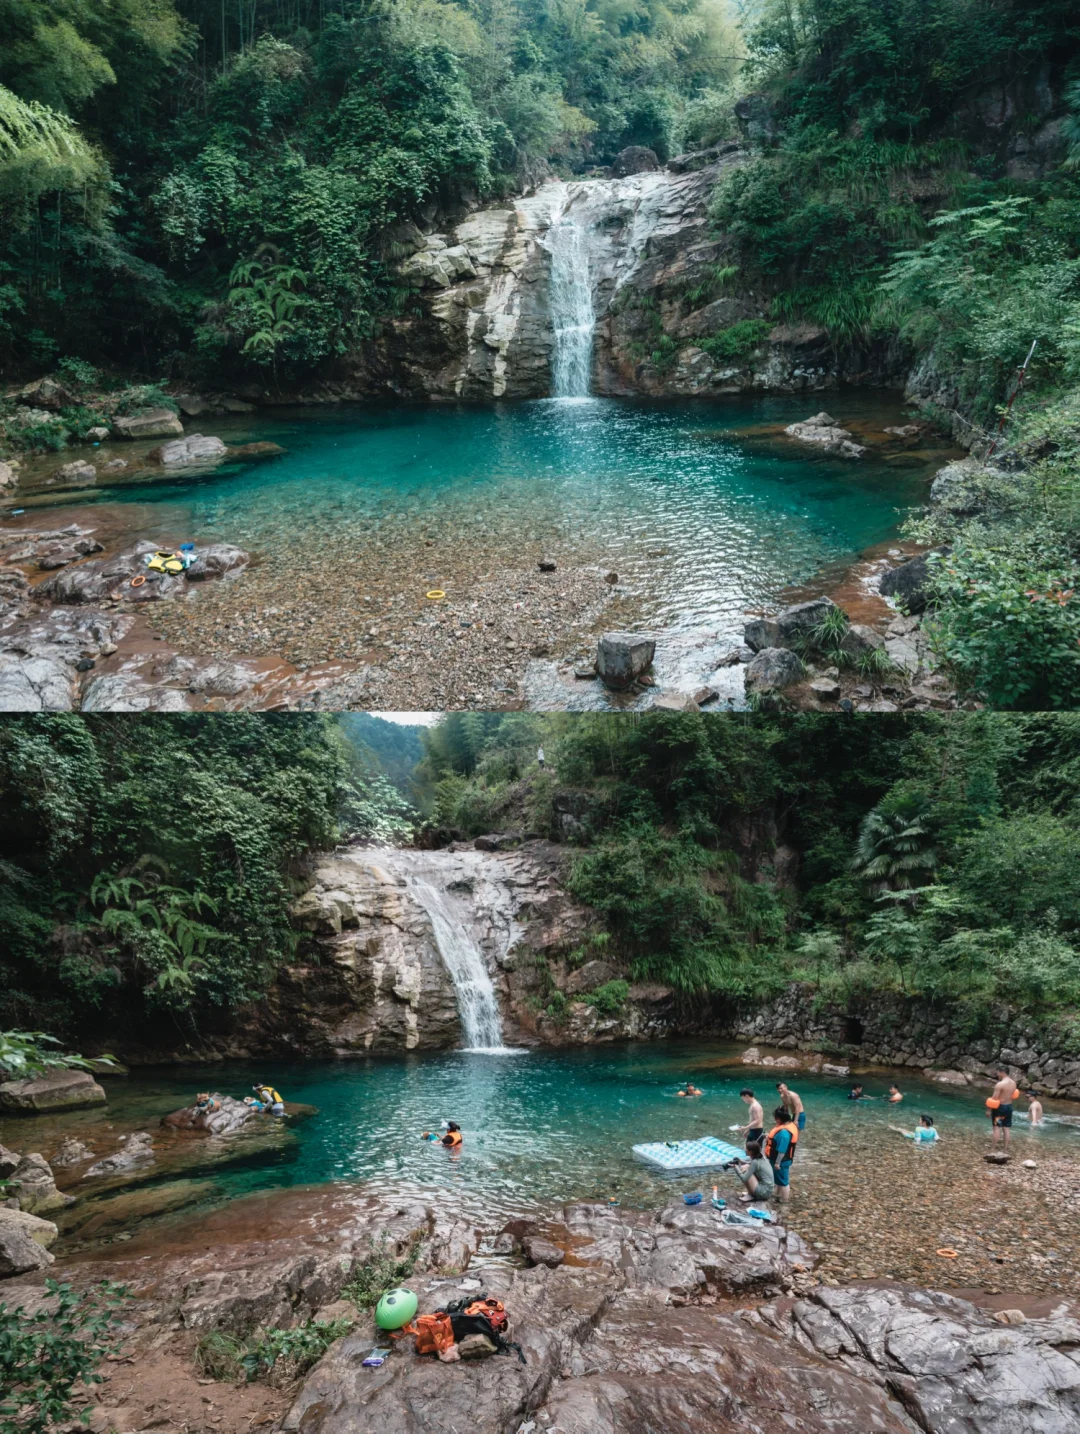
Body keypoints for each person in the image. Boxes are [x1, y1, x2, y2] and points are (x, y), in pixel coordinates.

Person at [764, 1105, 799, 1204]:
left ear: (779, 1119)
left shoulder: (784, 1132)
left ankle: (784, 1202)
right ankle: (777, 1195)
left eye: (775, 1119)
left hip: (781, 1161)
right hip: (780, 1160)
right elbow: (776, 1140)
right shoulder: (789, 1126)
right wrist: (769, 1137)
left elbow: (782, 1150)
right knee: (779, 1179)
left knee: (784, 1182)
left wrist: (777, 1163)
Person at [988, 1069, 1018, 1150]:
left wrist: (989, 1110)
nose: (997, 1074)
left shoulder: (1000, 1084)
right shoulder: (1013, 1083)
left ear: (1002, 1072)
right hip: (1009, 1107)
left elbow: (994, 1098)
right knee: (1006, 1128)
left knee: (996, 1128)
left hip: (1000, 1108)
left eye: (997, 1072)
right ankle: (1005, 1148)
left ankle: (993, 1148)